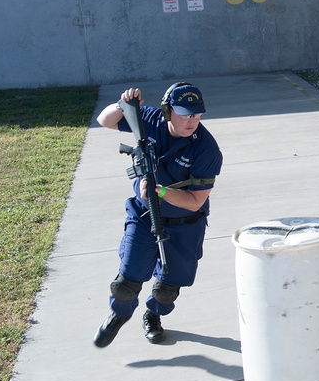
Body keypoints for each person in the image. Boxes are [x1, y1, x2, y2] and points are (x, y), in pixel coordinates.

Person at [92, 82, 223, 347]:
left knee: (166, 290)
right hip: (143, 215)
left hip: (184, 224)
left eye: (196, 115)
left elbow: (195, 201)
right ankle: (119, 314)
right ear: (167, 111)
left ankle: (153, 315)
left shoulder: (207, 150)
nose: (191, 121)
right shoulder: (150, 119)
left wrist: (160, 191)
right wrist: (124, 104)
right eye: (184, 114)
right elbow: (105, 120)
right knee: (126, 283)